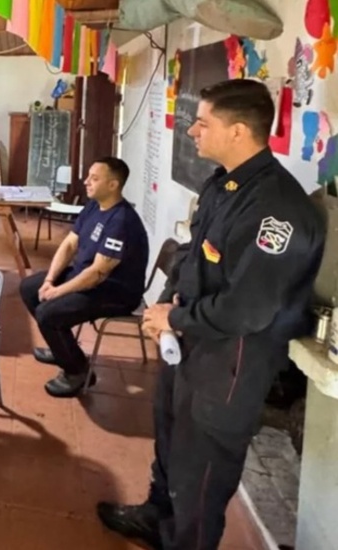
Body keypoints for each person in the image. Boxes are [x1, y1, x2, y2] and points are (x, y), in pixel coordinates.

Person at [97, 79, 326, 550]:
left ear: (239, 131)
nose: (192, 131)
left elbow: (248, 310)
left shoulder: (275, 211)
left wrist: (174, 320)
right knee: (170, 442)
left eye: (203, 122)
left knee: (200, 476)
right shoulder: (225, 183)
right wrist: (167, 305)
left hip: (228, 365)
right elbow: (195, 256)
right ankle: (155, 518)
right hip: (190, 345)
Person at [18, 157, 148, 398]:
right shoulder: (94, 205)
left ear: (113, 185)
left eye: (94, 178)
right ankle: (63, 349)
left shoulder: (121, 221)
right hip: (87, 276)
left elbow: (98, 273)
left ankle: (77, 371)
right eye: (88, 175)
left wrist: (58, 291)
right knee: (29, 287)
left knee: (49, 313)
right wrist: (49, 280)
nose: (86, 181)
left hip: (114, 291)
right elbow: (69, 244)